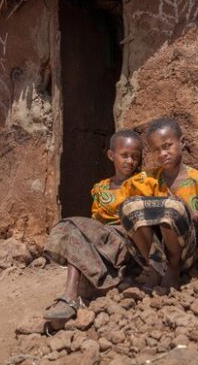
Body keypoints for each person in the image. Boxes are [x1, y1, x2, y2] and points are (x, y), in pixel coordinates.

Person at [42, 129, 143, 320]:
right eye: (124, 155)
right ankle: (71, 298)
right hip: (103, 239)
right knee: (73, 230)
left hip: (126, 240)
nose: (130, 161)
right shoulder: (101, 187)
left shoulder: (142, 183)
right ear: (111, 155)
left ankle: (70, 297)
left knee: (71, 225)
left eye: (135, 157)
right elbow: (96, 222)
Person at [120, 117, 198, 289]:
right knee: (128, 207)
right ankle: (155, 267)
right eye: (156, 150)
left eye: (167, 146)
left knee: (173, 208)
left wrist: (192, 214)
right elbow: (131, 212)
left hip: (185, 254)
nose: (162, 154)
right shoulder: (146, 180)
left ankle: (172, 269)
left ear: (181, 142)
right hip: (152, 251)